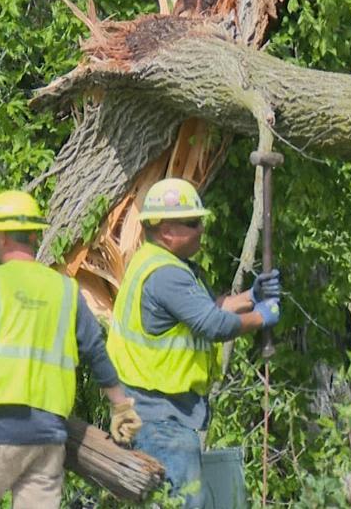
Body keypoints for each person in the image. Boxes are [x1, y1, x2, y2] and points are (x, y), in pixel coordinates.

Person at [0, 190, 142, 508]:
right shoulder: (65, 290)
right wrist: (121, 406)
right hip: (47, 433)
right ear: (33, 235)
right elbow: (95, 351)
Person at [107, 178, 281, 507]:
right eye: (192, 223)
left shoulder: (156, 262)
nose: (202, 229)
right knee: (186, 502)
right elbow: (212, 324)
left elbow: (203, 312)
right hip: (160, 417)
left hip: (154, 409)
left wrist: (250, 298)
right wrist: (261, 317)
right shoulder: (166, 275)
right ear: (165, 229)